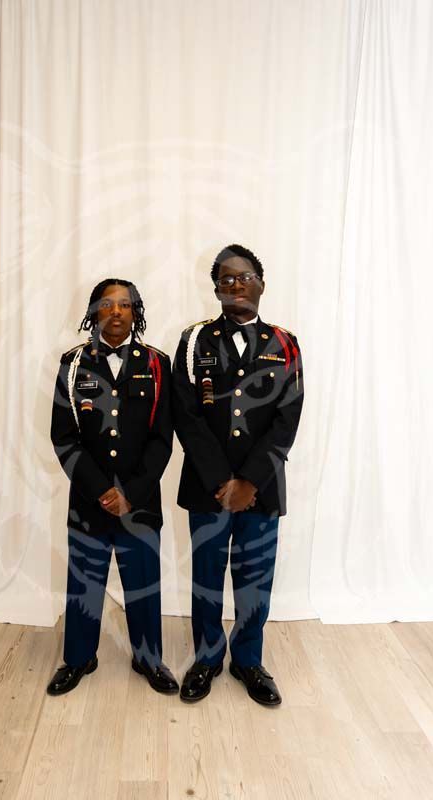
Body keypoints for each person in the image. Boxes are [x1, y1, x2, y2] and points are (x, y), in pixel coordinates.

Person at [172, 244, 304, 706]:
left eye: (243, 277)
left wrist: (249, 481)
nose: (235, 285)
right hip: (208, 488)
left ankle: (249, 659)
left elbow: (287, 418)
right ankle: (207, 659)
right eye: (225, 280)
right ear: (215, 290)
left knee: (254, 580)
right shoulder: (192, 340)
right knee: (207, 576)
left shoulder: (285, 343)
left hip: (261, 489)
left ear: (261, 283)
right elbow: (185, 415)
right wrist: (221, 481)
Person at [47, 278, 178, 696]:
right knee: (84, 582)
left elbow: (163, 438)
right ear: (94, 312)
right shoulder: (72, 364)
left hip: (140, 501)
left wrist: (132, 492)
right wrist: (101, 489)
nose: (117, 312)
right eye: (107, 305)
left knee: (142, 582)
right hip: (89, 499)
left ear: (136, 312)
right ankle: (79, 658)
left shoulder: (158, 364)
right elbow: (63, 436)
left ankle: (148, 658)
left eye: (125, 305)